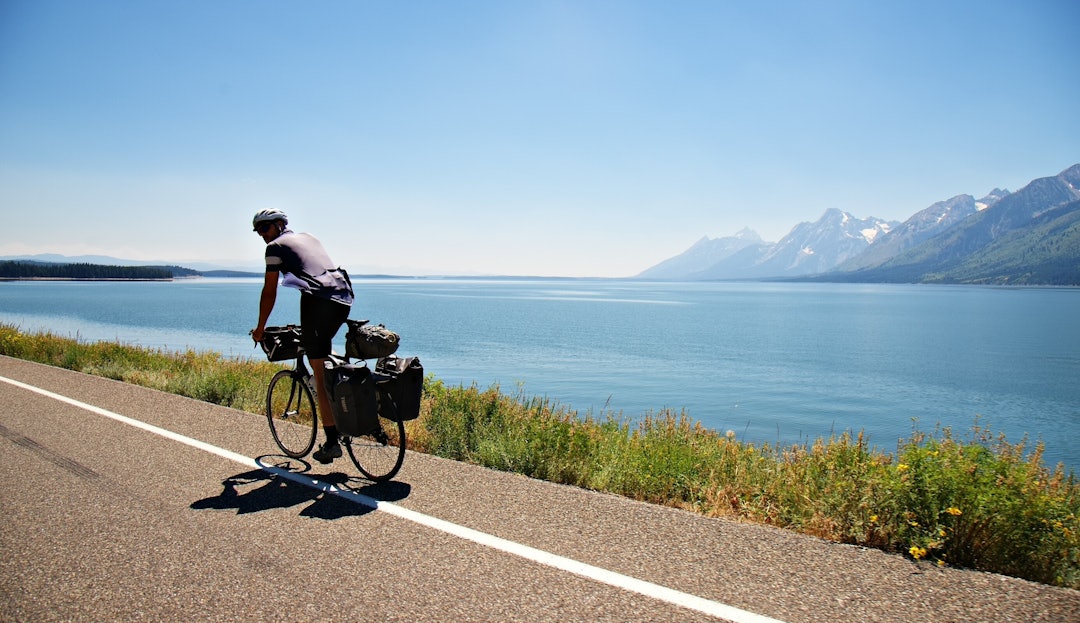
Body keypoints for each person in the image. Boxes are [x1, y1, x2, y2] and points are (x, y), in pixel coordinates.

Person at [250, 209, 354, 464]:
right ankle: (343, 394)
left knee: (317, 368)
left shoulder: (274, 248)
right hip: (344, 298)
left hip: (317, 300)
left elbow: (269, 291)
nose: (262, 236)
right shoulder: (309, 236)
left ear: (278, 225)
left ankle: (331, 443)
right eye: (258, 232)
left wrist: (260, 328)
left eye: (264, 229)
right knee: (322, 348)